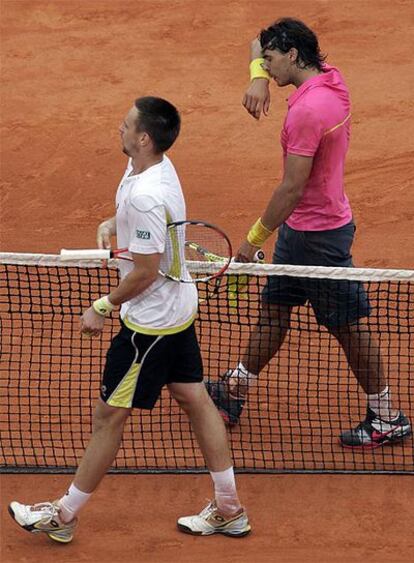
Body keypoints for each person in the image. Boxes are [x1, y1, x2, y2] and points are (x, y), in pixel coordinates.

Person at [8, 96, 251, 543]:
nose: (117, 131)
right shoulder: (151, 167)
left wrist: (103, 306)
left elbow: (145, 268)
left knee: (108, 417)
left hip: (150, 325)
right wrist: (115, 222)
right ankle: (230, 508)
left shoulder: (145, 192)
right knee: (194, 398)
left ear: (143, 138)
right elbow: (147, 228)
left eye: (124, 126)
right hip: (179, 308)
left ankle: (63, 515)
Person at [207, 18, 412, 449]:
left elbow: (291, 187)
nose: (265, 64)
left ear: (293, 55)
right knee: (275, 310)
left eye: (271, 60)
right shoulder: (330, 79)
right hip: (304, 230)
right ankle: (234, 390)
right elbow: (253, 42)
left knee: (350, 329)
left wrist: (253, 240)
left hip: (317, 238)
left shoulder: (307, 111)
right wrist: (258, 77)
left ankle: (387, 416)